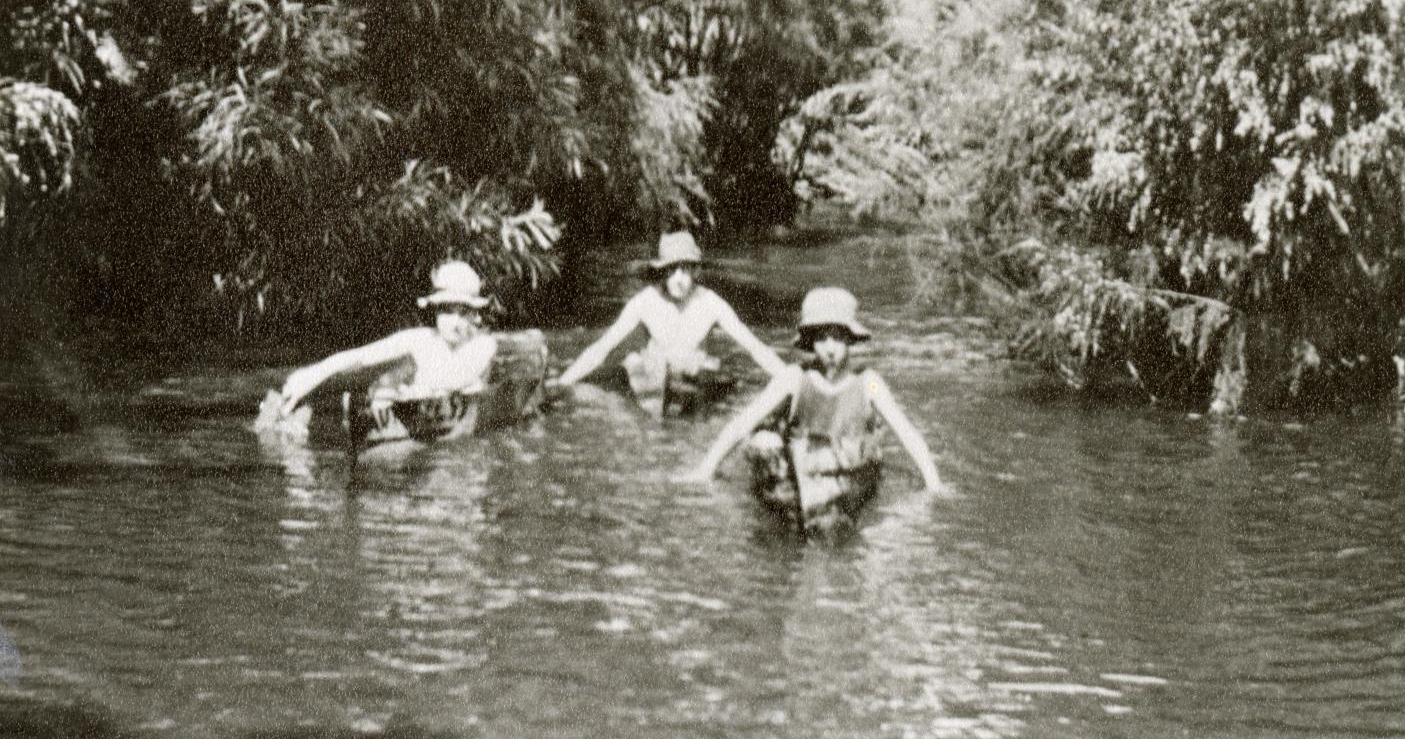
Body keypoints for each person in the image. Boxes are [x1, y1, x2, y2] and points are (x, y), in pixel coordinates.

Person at [679, 286, 942, 492]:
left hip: (847, 465)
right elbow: (742, 423)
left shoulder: (869, 381)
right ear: (811, 341)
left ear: (850, 339)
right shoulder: (793, 378)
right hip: (803, 466)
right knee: (764, 442)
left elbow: (907, 433)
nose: (829, 348)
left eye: (838, 337)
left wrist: (933, 483)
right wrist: (706, 469)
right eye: (821, 337)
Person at [553, 231, 784, 393]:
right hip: (654, 374)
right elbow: (602, 348)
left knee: (710, 366)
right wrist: (562, 384)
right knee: (631, 362)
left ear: (696, 271)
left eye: (685, 270)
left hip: (692, 374)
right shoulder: (644, 302)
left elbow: (754, 347)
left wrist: (788, 379)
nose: (679, 280)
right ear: (662, 272)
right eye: (672, 270)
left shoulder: (712, 304)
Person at [276, 260, 499, 413]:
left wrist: (407, 393)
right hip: (419, 404)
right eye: (447, 311)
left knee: (391, 386)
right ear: (435, 312)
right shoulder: (420, 339)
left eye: (463, 313)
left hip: (448, 417)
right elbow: (361, 357)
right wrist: (313, 375)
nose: (455, 322)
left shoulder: (484, 345)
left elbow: (454, 380)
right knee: (383, 387)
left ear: (474, 317)